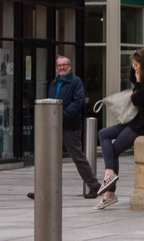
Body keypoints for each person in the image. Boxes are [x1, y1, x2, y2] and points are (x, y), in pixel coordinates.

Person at [93, 48, 144, 210]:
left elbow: (137, 99)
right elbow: (135, 85)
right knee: (103, 134)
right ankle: (109, 176)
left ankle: (109, 190)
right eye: (133, 64)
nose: (134, 67)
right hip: (135, 121)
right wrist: (137, 77)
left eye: (136, 64)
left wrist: (139, 81)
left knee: (114, 149)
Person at [26, 56, 100, 200]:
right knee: (47, 158)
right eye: (59, 65)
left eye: (64, 65)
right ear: (56, 67)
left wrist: (61, 117)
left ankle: (94, 185)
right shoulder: (54, 83)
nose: (62, 68)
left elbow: (77, 103)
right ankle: (42, 189)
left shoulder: (76, 82)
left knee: (78, 157)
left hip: (70, 127)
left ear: (70, 66)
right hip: (53, 126)